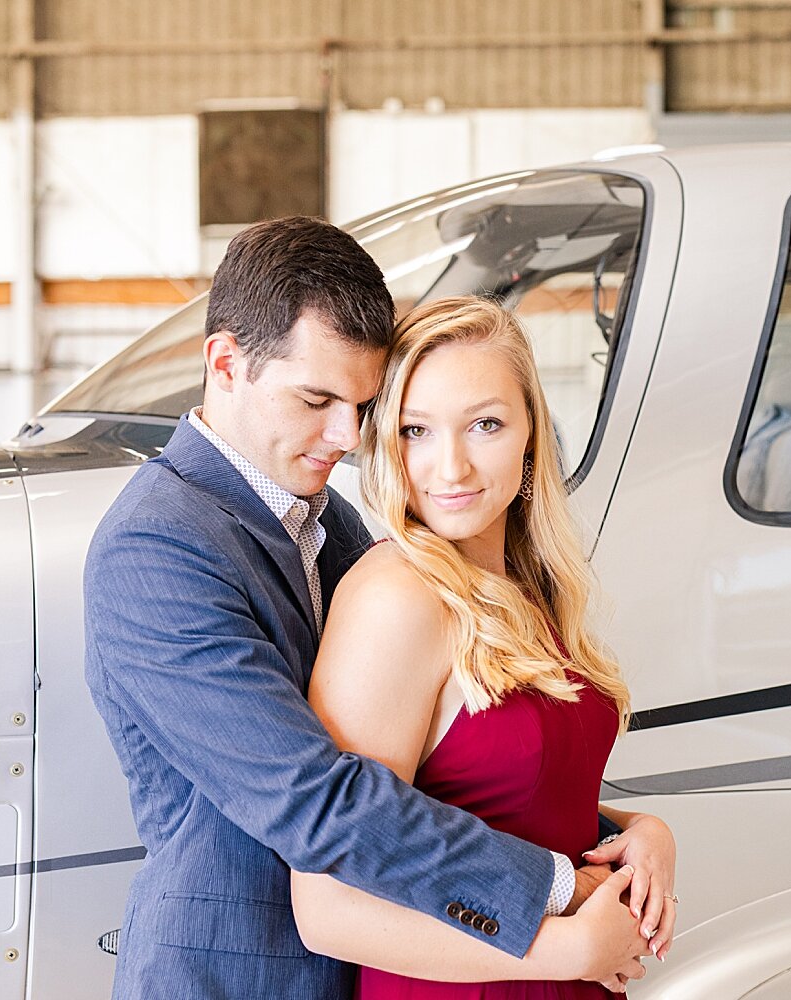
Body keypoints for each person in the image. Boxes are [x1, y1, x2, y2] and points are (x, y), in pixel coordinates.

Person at [84, 218, 647, 1000]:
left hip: (387, 961)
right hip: (236, 976)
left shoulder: (326, 521)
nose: (347, 436)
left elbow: (444, 767)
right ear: (225, 364)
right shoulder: (155, 546)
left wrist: (625, 837)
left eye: (363, 406)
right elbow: (318, 799)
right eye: (317, 399)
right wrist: (562, 890)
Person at [289, 296, 679, 997]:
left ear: (532, 433)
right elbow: (329, 908)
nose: (453, 468)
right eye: (417, 430)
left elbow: (502, 797)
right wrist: (561, 952)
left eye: (486, 424)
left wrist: (641, 830)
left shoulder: (529, 584)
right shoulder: (395, 598)